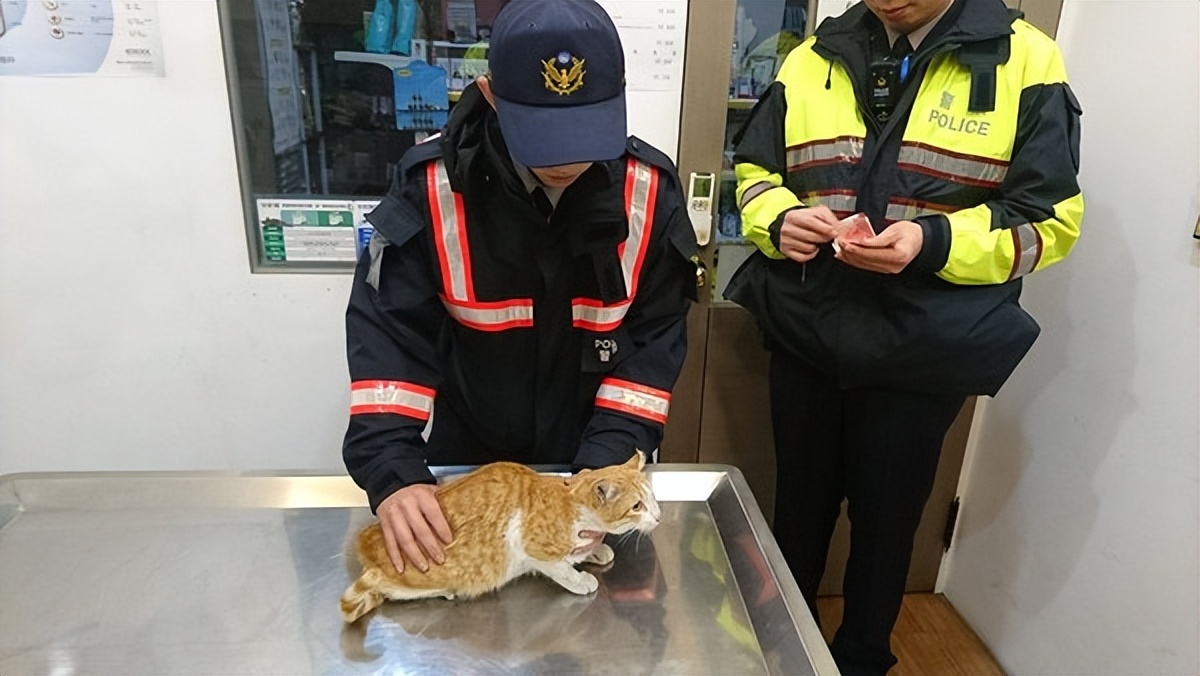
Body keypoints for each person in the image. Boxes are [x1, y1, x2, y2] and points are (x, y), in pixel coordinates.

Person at [725, 0, 1083, 673]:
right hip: (809, 335)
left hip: (922, 349)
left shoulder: (1027, 59)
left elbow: (1050, 223)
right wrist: (778, 219)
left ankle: (862, 658)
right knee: (794, 513)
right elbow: (754, 174)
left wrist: (933, 240)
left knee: (887, 528)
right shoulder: (811, 57)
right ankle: (779, 653)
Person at [341, 0, 698, 579]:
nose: (566, 157)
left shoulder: (650, 194)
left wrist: (601, 474)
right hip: (470, 465)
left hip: (596, 464)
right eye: (542, 131)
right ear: (489, 94)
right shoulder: (431, 192)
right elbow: (389, 337)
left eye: (584, 127)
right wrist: (391, 468)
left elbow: (655, 343)